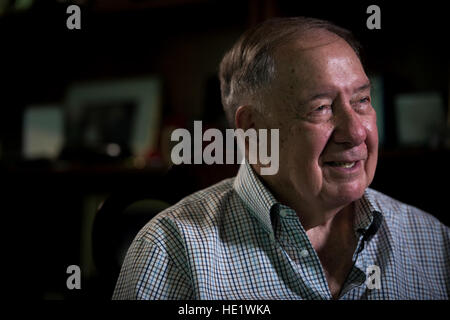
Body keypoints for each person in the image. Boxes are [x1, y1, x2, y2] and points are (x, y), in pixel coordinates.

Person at [112, 17, 449, 300]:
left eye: (362, 100)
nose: (356, 132)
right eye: (321, 108)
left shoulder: (432, 241)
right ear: (254, 128)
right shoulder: (171, 250)